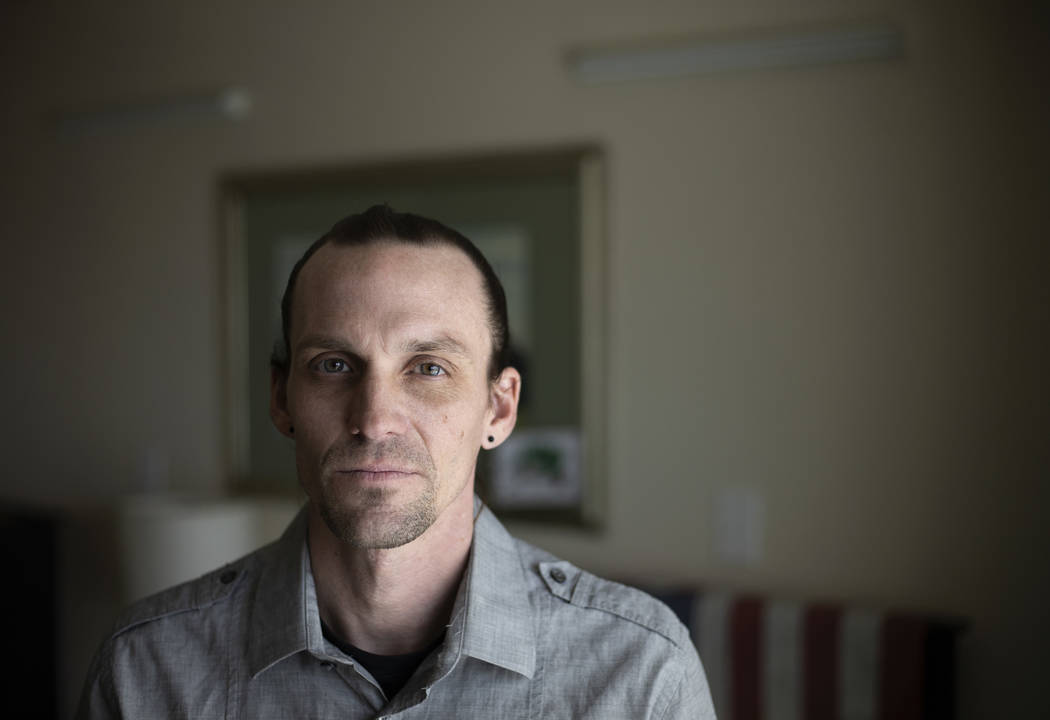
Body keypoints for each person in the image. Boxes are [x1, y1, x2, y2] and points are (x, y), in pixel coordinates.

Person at [77, 205, 716, 719]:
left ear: (498, 409)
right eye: (334, 365)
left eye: (429, 368)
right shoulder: (148, 672)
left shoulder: (637, 676)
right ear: (281, 399)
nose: (375, 417)